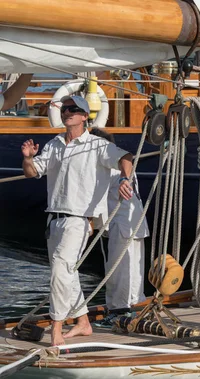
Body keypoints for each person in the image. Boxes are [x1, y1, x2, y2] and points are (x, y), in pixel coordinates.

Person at [21, 95, 134, 346]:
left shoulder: (97, 145)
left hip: (79, 220)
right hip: (54, 220)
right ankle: (83, 323)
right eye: (64, 109)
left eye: (73, 109)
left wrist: (125, 179)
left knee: (61, 269)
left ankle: (56, 329)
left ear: (85, 116)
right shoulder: (54, 144)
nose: (67, 112)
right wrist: (28, 158)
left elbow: (126, 157)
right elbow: (32, 173)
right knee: (66, 273)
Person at [90, 129, 149, 328]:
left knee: (120, 272)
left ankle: (119, 314)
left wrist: (91, 224)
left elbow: (97, 197)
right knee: (130, 272)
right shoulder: (119, 166)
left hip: (123, 225)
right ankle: (129, 312)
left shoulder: (110, 166)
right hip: (131, 224)